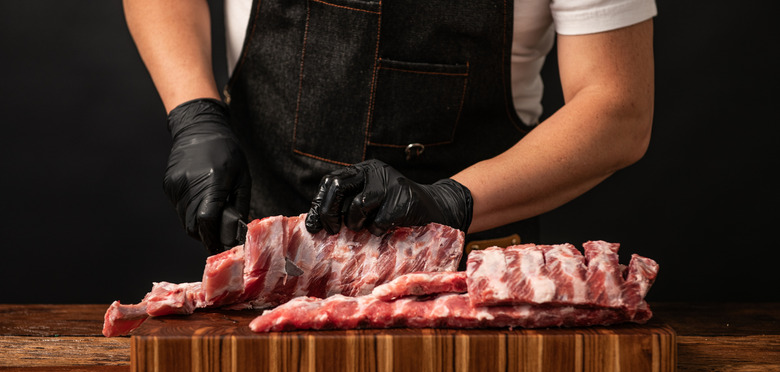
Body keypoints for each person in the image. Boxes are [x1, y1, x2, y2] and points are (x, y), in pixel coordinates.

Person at [123, 0, 656, 255]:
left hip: (474, 270)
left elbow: (618, 106)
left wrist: (450, 204)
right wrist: (195, 114)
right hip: (269, 258)